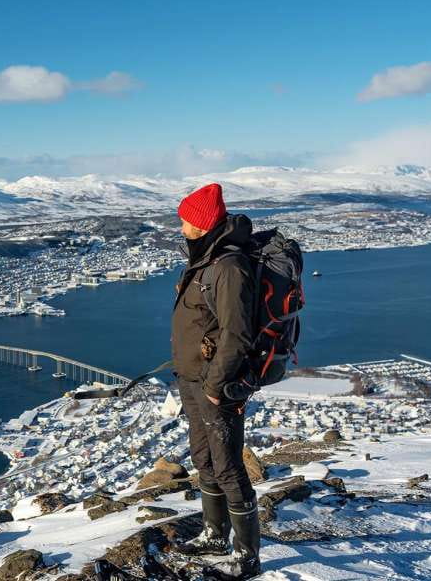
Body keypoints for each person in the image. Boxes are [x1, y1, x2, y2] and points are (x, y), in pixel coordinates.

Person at [170, 183, 262, 580]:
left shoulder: (227, 267)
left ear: (203, 224)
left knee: (228, 467)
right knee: (204, 459)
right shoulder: (204, 259)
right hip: (192, 378)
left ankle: (247, 555)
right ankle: (213, 533)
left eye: (187, 218)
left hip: (215, 385)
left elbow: (237, 334)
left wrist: (214, 383)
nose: (181, 225)